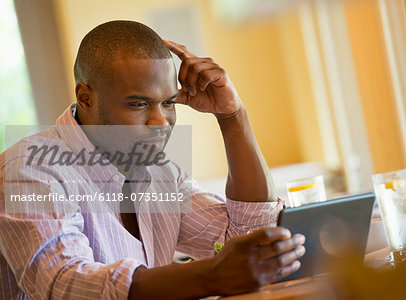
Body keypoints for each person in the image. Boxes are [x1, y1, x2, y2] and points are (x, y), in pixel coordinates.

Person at [0, 20, 305, 299]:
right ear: (85, 97)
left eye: (169, 103)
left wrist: (233, 116)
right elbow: (64, 284)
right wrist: (211, 276)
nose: (161, 122)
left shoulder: (161, 174)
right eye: (139, 103)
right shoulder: (30, 169)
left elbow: (249, 239)